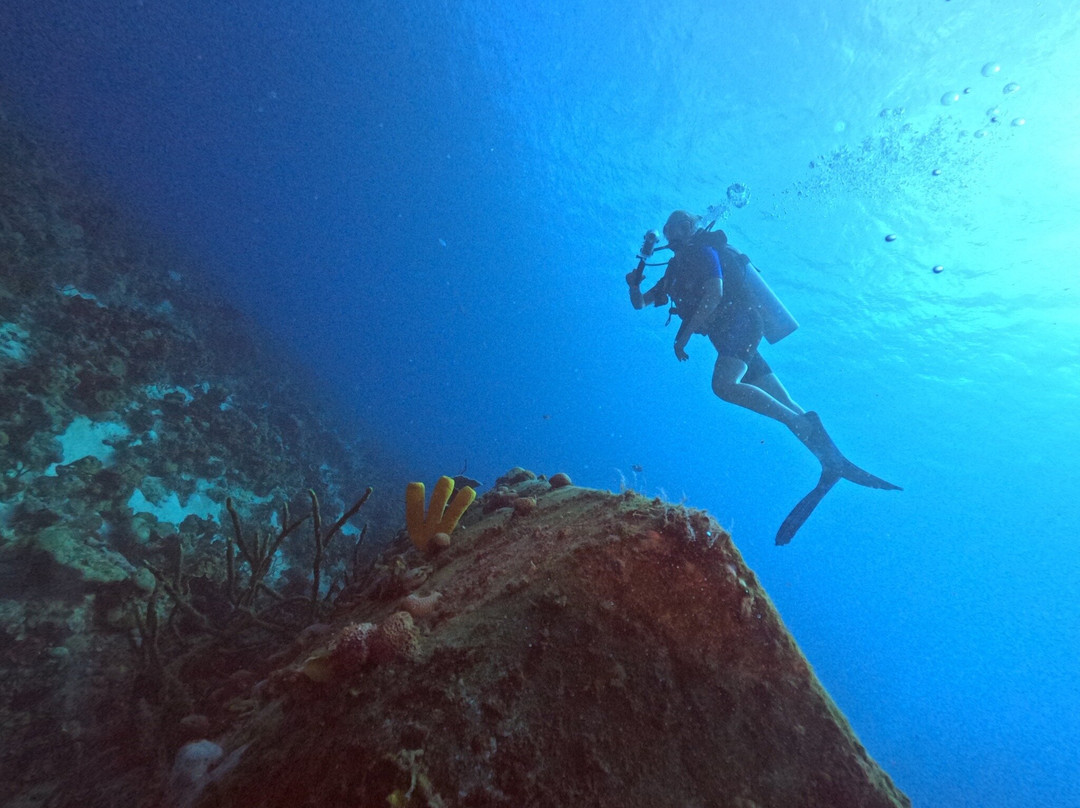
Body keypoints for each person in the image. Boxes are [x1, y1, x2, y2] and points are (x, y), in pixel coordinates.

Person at [627, 210, 900, 543]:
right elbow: (641, 303)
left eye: (680, 225)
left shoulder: (703, 251)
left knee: (724, 385)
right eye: (670, 228)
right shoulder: (673, 272)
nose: (673, 232)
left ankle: (798, 424)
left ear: (690, 227)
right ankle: (831, 462)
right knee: (784, 400)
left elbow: (714, 293)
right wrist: (633, 285)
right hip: (730, 335)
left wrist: (684, 334)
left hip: (741, 325)